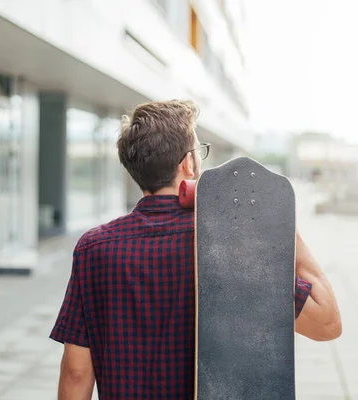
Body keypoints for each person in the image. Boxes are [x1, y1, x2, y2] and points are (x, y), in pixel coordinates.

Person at [50, 100, 342, 400]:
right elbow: (327, 323)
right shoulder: (231, 245)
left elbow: (76, 373)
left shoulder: (93, 249)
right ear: (188, 163)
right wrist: (280, 225)